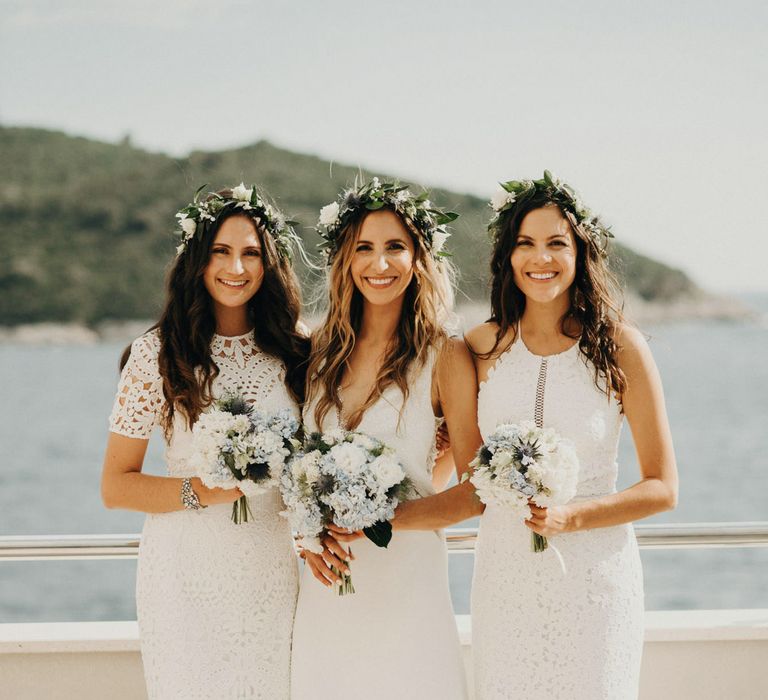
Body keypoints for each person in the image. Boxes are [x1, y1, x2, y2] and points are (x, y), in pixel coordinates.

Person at [466, 171, 678, 699]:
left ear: (580, 253)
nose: (541, 258)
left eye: (557, 243)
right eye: (526, 244)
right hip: (504, 578)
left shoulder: (621, 348)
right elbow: (454, 458)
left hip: (596, 582)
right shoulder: (477, 346)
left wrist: (571, 517)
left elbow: (662, 486)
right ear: (507, 258)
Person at [100, 184, 309, 699]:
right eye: (221, 251)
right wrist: (203, 490)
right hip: (184, 574)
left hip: (271, 569)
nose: (236, 267)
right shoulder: (157, 354)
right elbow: (116, 486)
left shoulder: (298, 349)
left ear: (269, 263)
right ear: (197, 259)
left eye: (251, 253)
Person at [290, 179, 481, 700]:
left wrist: (385, 519)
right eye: (365, 249)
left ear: (420, 256)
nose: (380, 263)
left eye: (395, 246)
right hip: (326, 583)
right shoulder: (317, 351)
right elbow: (295, 472)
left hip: (408, 579)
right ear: (345, 261)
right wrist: (306, 535)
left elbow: (478, 489)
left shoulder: (445, 356)